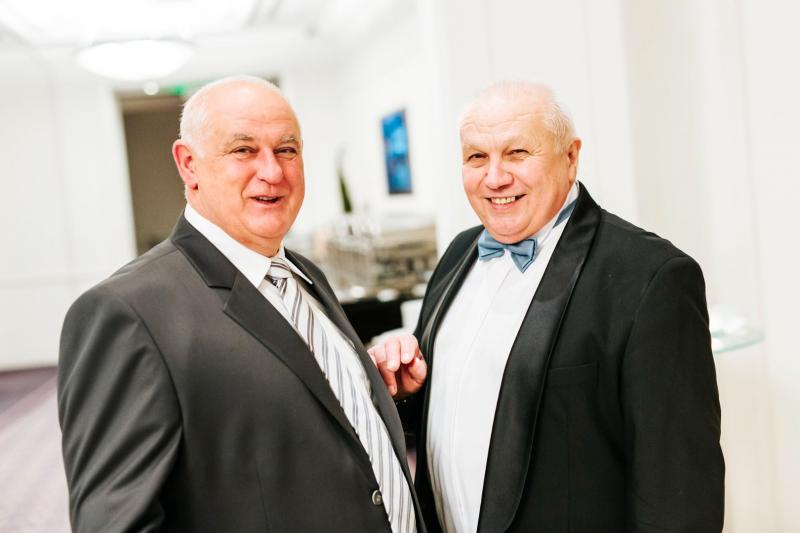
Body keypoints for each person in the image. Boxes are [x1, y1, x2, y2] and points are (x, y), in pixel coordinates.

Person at [58, 75, 422, 533]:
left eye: (286, 150)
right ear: (188, 164)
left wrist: (372, 389)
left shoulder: (304, 273)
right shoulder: (127, 313)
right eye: (243, 150)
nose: (273, 172)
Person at [369, 82, 724, 532]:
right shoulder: (458, 254)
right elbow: (446, 420)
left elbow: (680, 492)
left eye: (517, 153)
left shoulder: (650, 277)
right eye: (476, 157)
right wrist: (404, 392)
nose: (495, 177)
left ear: (570, 157)